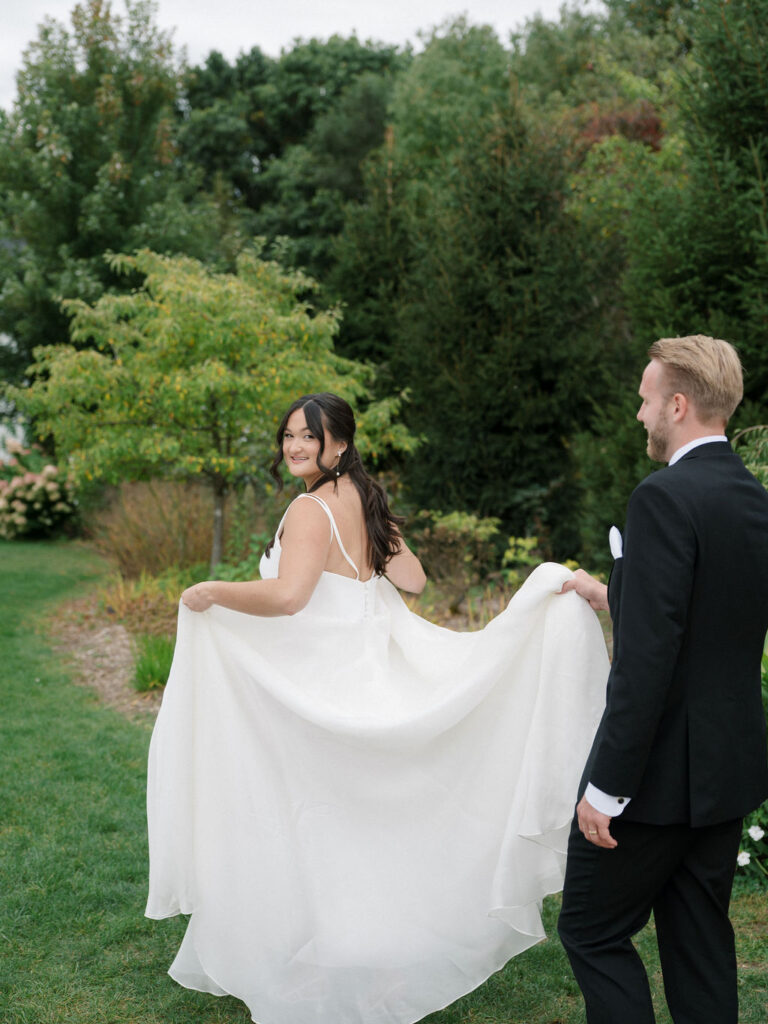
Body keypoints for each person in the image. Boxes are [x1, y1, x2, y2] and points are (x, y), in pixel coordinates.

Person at [145, 392, 609, 1024]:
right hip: (369, 669)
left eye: (308, 437)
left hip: (326, 686)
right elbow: (412, 580)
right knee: (359, 821)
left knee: (321, 818)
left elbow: (288, 598)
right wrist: (374, 544)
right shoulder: (360, 499)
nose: (294, 448)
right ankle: (368, 955)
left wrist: (211, 592)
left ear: (339, 443)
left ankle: (338, 954)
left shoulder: (311, 508)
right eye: (288, 436)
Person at [557, 335, 768, 1024]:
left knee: (590, 930)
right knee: (700, 939)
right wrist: (610, 592)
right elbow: (708, 618)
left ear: (678, 404)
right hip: (723, 773)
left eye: (646, 401)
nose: (640, 415)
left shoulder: (662, 498)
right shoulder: (751, 498)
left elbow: (647, 663)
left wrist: (606, 788)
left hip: (649, 784)